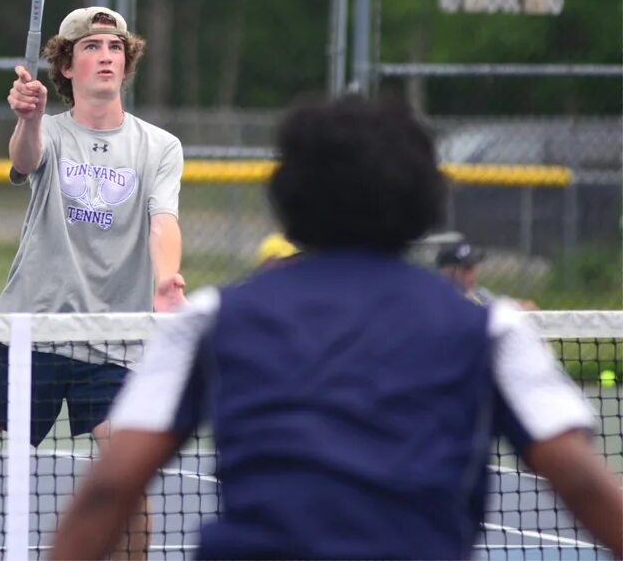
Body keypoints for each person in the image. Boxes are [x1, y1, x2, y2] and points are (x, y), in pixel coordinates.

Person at [49, 93, 622, 561]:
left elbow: (109, 487)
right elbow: (583, 484)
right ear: (426, 200)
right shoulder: (491, 329)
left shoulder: (211, 319)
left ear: (288, 198)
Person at [0, 6, 185, 561]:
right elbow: (25, 159)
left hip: (113, 339)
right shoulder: (50, 132)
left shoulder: (159, 147)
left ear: (127, 61)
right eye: (91, 47)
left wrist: (167, 281)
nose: (106, 56)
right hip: (26, 332)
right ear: (65, 66)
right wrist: (27, 118)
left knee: (128, 489)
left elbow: (163, 221)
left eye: (115, 47)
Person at [437, 240, 539, 310]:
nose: (472, 274)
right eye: (466, 268)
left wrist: (519, 306)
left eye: (473, 267)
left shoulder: (477, 294)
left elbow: (495, 304)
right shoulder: (437, 297)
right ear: (446, 271)